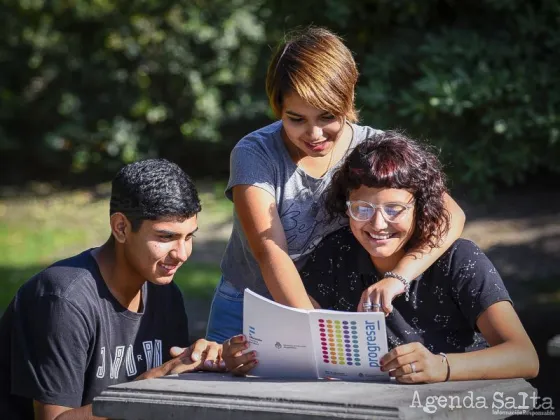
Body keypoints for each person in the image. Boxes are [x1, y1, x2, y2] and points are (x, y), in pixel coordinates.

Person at [206, 26, 466, 343]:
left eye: (327, 116)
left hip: (334, 305)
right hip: (249, 306)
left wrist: (400, 277)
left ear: (349, 99)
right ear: (278, 107)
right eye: (296, 118)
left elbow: (451, 215)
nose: (314, 134)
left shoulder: (373, 148)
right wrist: (316, 338)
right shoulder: (254, 154)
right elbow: (270, 253)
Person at [223, 131, 539, 382]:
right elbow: (304, 345)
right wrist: (251, 358)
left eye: (394, 209)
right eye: (362, 209)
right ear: (345, 205)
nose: (377, 224)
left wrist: (440, 367)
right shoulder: (336, 253)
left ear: (421, 207)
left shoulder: (461, 259)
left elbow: (525, 357)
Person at [0, 159, 224, 420]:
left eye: (189, 237)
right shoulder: (63, 300)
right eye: (166, 237)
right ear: (121, 228)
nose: (182, 254)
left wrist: (206, 362)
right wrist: (144, 389)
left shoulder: (165, 293)